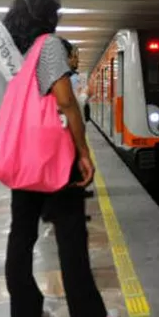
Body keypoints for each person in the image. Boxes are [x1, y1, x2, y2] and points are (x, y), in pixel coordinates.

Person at [0, 0, 119, 317]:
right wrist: (84, 151)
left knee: (21, 235)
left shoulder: (5, 55)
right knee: (71, 238)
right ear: (47, 16)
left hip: (22, 161)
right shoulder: (49, 46)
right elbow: (65, 102)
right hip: (54, 158)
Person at [62, 39, 94, 199]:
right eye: (75, 57)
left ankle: (77, 190)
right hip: (70, 128)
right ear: (66, 58)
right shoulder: (67, 78)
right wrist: (86, 94)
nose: (77, 60)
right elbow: (71, 103)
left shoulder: (68, 77)